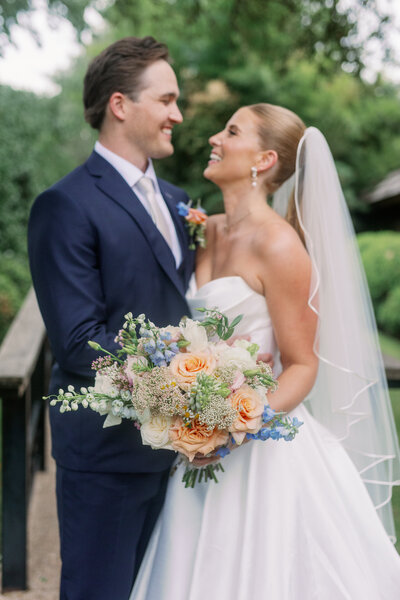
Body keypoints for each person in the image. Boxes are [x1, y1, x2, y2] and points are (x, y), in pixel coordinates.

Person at [130, 103, 400, 599]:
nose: (214, 137)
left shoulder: (280, 246)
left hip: (259, 447)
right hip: (196, 440)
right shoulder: (203, 230)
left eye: (231, 131)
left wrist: (235, 425)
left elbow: (302, 364)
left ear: (264, 159)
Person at [28, 36, 196, 600]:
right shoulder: (66, 205)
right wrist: (190, 385)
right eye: (167, 100)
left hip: (184, 449)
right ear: (120, 105)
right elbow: (79, 342)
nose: (178, 114)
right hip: (107, 457)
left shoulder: (179, 201)